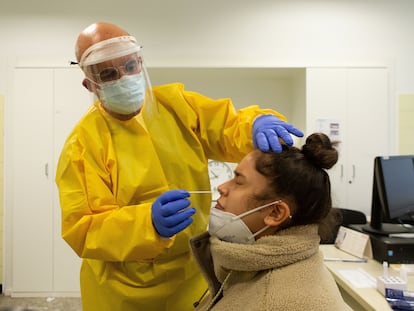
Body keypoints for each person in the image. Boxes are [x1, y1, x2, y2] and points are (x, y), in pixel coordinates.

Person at [55, 21, 303, 311]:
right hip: (122, 291)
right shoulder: (83, 145)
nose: (124, 77)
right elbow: (82, 229)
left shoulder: (177, 105)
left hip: (192, 275)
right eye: (109, 74)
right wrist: (146, 224)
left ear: (141, 62)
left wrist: (253, 124)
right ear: (90, 84)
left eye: (130, 66)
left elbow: (226, 126)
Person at [190, 133, 352, 310]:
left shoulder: (271, 302)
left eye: (238, 181)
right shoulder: (279, 263)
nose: (221, 188)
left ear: (275, 212)